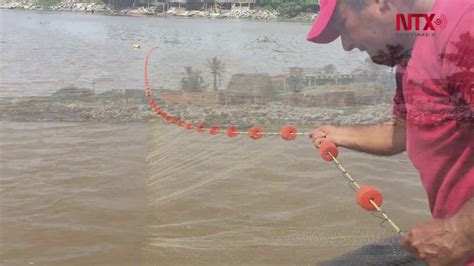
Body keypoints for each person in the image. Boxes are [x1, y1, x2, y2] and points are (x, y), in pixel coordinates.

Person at [306, 0, 474, 265]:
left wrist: (462, 232)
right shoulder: (412, 50)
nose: (347, 44)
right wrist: (338, 134)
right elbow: (404, 132)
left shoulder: (464, 24)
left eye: (343, 25)